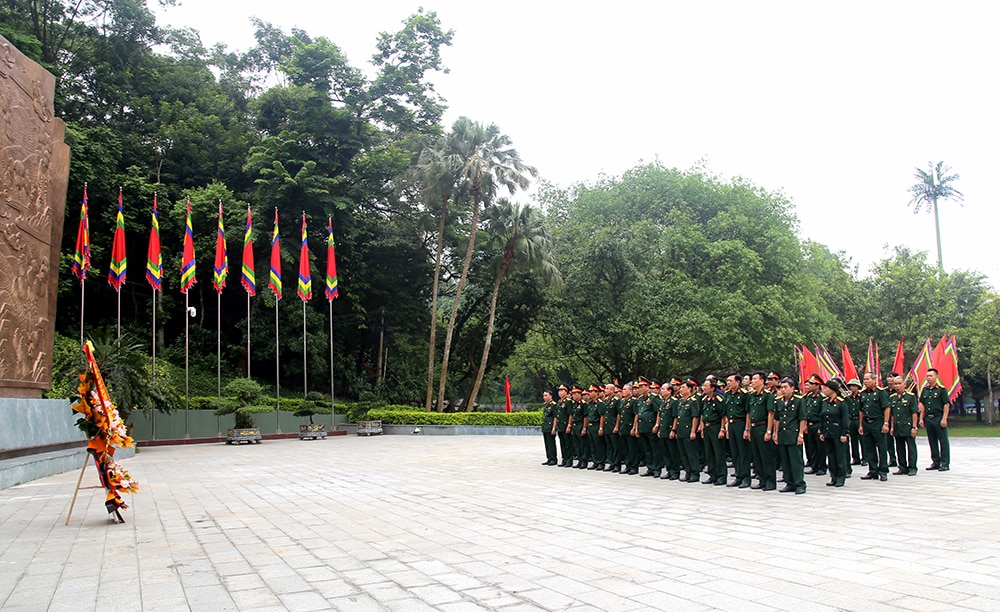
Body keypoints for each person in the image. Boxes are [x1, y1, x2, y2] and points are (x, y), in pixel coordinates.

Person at [773, 377, 806, 494]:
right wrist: (775, 433)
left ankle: (799, 484)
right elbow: (777, 419)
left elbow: (802, 418)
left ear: (792, 388)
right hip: (783, 434)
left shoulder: (798, 400)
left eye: (785, 387)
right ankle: (789, 483)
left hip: (793, 433)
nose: (783, 390)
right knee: (785, 461)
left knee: (796, 461)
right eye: (781, 387)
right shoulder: (779, 401)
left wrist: (801, 434)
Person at [745, 372, 776, 491]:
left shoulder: (767, 395)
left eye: (755, 379)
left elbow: (770, 413)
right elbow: (748, 413)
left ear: (762, 381)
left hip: (763, 426)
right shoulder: (752, 395)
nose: (752, 381)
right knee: (757, 456)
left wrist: (769, 431)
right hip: (753, 427)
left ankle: (770, 481)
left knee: (766, 455)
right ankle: (761, 479)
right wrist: (747, 429)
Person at [858, 372, 890, 481]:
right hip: (867, 423)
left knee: (881, 447)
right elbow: (861, 410)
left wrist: (886, 423)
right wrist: (861, 425)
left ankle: (883, 471)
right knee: (869, 448)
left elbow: (886, 408)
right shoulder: (862, 394)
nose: (865, 381)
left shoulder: (881, 393)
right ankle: (873, 470)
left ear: (874, 380)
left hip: (878, 422)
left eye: (868, 379)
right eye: (864, 379)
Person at [819, 378, 850, 487]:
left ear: (833, 389)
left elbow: (845, 420)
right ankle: (833, 476)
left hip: (838, 433)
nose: (824, 390)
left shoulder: (841, 403)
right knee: (831, 456)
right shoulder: (824, 402)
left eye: (826, 388)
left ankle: (841, 477)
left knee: (840, 456)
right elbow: (822, 417)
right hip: (828, 433)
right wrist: (822, 431)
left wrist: (844, 433)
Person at [919, 368, 951, 471]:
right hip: (929, 418)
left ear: (936, 377)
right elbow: (923, 405)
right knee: (932, 441)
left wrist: (944, 418)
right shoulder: (925, 390)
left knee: (943, 441)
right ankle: (935, 462)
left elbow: (946, 404)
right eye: (927, 376)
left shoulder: (941, 390)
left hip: (938, 417)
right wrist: (921, 418)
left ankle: (945, 463)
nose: (928, 378)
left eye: (931, 376)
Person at [723, 373, 751, 488]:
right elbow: (726, 413)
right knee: (735, 452)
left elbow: (748, 412)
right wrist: (727, 428)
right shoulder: (728, 395)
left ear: (738, 382)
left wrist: (747, 429)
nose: (728, 383)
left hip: (741, 423)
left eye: (730, 381)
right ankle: (738, 476)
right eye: (727, 381)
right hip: (731, 424)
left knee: (743, 452)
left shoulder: (744, 394)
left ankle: (746, 477)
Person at [672, 379, 702, 482]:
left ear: (689, 389)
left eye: (683, 387)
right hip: (681, 431)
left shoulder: (693, 401)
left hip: (688, 430)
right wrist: (675, 430)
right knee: (683, 453)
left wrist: (693, 431)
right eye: (680, 388)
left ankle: (695, 473)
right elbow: (677, 417)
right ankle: (688, 472)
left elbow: (695, 417)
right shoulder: (680, 401)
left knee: (691, 453)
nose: (681, 389)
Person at [889, 374, 919, 476]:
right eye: (895, 384)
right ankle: (902, 467)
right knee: (899, 448)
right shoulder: (892, 397)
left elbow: (914, 413)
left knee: (911, 448)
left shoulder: (910, 397)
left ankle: (912, 467)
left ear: (904, 384)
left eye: (899, 384)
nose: (897, 386)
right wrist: (892, 427)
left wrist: (914, 427)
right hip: (897, 426)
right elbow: (892, 414)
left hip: (908, 426)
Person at [699, 377, 727, 485]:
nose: (704, 388)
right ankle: (712, 474)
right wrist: (702, 428)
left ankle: (721, 476)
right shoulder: (704, 399)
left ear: (712, 388)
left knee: (718, 452)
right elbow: (703, 414)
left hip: (716, 427)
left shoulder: (719, 399)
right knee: (709, 452)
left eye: (706, 386)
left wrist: (722, 429)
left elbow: (723, 415)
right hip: (707, 427)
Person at [636, 378, 664, 477]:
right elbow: (638, 413)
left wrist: (657, 425)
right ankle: (650, 467)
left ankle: (656, 468)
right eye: (639, 387)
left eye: (641, 386)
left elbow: (659, 412)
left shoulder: (654, 398)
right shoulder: (640, 398)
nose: (639, 389)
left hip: (651, 427)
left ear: (647, 387)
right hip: (643, 427)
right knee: (647, 449)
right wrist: (636, 428)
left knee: (655, 448)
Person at [801, 374, 827, 476]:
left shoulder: (822, 398)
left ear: (818, 385)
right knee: (811, 447)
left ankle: (822, 467)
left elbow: (823, 414)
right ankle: (814, 465)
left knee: (820, 448)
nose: (809, 385)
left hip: (817, 425)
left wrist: (821, 427)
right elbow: (806, 412)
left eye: (812, 384)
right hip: (809, 425)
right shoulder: (808, 397)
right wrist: (805, 425)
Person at [656, 381, 681, 480]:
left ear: (669, 391)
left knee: (673, 452)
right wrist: (659, 429)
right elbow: (661, 416)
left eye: (663, 389)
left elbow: (675, 417)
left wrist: (673, 430)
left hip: (670, 430)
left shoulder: (674, 401)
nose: (661, 391)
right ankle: (669, 470)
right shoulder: (663, 402)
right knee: (665, 452)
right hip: (663, 430)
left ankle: (675, 472)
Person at [618, 382, 640, 475]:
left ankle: (634, 467)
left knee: (632, 449)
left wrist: (634, 427)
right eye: (623, 389)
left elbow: (636, 415)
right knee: (625, 449)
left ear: (630, 391)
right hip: (623, 427)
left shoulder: (634, 401)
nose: (623, 391)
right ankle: (628, 465)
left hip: (630, 427)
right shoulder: (622, 401)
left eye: (625, 389)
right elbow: (620, 415)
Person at [600, 383, 622, 472]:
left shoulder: (616, 400)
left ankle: (617, 464)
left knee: (615, 446)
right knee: (609, 446)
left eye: (607, 389)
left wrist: (617, 426)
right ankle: (611, 462)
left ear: (612, 390)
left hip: (613, 426)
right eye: (605, 388)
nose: (605, 390)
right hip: (607, 426)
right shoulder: (606, 400)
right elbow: (604, 414)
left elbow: (619, 414)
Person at [586, 385, 605, 470]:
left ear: (596, 392)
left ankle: (600, 462)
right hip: (590, 426)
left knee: (598, 445)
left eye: (591, 391)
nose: (589, 393)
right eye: (589, 391)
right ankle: (595, 461)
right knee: (592, 445)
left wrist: (601, 428)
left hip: (596, 425)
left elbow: (602, 416)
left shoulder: (600, 403)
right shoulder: (590, 403)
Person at [569, 386, 589, 469]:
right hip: (574, 425)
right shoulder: (573, 404)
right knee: (577, 445)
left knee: (583, 444)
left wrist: (584, 428)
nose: (573, 395)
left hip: (581, 424)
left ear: (579, 394)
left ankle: (584, 461)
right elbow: (571, 415)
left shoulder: (583, 404)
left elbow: (585, 416)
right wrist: (570, 425)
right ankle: (580, 460)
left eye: (575, 394)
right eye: (572, 394)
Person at [845, 378, 863, 467]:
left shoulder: (862, 396)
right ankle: (856, 458)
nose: (852, 387)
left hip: (860, 420)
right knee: (853, 440)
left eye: (854, 386)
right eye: (850, 386)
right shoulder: (848, 398)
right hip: (852, 420)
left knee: (863, 440)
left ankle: (865, 458)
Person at [555, 385, 573, 467]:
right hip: (560, 426)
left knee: (568, 443)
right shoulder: (559, 402)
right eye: (559, 391)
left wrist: (569, 425)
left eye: (562, 391)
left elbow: (570, 414)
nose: (560, 392)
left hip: (566, 425)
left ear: (566, 392)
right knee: (562, 443)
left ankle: (569, 460)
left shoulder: (568, 401)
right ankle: (564, 459)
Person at [541, 390, 558, 465]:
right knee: (547, 444)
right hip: (545, 427)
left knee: (551, 444)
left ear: (551, 396)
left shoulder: (553, 405)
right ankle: (549, 458)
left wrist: (554, 428)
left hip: (551, 427)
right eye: (544, 395)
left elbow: (555, 417)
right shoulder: (546, 405)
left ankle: (553, 459)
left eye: (546, 395)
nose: (544, 397)